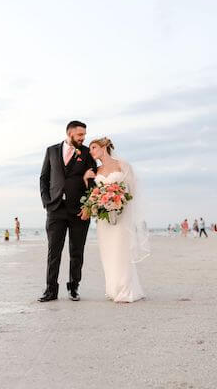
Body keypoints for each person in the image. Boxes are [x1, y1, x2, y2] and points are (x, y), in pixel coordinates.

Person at [38, 120, 97, 302]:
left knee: (77, 251)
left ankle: (74, 288)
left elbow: (94, 181)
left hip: (79, 211)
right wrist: (47, 202)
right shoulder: (51, 151)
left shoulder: (87, 153)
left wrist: (89, 207)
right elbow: (44, 178)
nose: (83, 138)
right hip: (55, 209)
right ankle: (51, 290)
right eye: (80, 135)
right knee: (53, 251)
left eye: (84, 135)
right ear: (70, 133)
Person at [83, 137, 146, 303]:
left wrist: (120, 199)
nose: (91, 152)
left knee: (121, 249)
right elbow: (92, 194)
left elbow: (132, 189)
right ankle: (113, 289)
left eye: (94, 147)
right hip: (104, 219)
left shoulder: (122, 165)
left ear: (104, 147)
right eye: (90, 149)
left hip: (122, 214)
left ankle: (126, 289)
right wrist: (85, 179)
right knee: (108, 251)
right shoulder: (95, 170)